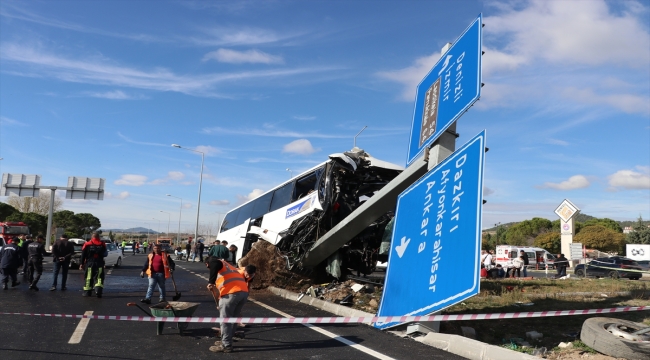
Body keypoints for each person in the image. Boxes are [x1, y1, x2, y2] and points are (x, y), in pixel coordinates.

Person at [206, 257, 253, 353]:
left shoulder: (215, 262)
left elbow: (214, 263)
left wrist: (211, 282)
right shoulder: (229, 266)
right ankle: (227, 341)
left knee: (225, 320)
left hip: (232, 294)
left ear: (207, 264)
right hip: (243, 293)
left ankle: (226, 345)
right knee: (233, 320)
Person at [79, 233, 107, 298]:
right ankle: (98, 291)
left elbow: (83, 255)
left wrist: (81, 264)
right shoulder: (102, 244)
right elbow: (105, 254)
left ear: (92, 237)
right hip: (99, 263)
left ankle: (87, 293)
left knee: (88, 277)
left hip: (90, 263)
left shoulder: (87, 244)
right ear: (98, 237)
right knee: (99, 277)